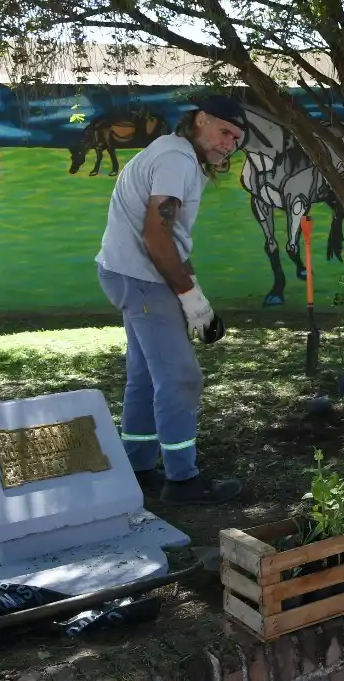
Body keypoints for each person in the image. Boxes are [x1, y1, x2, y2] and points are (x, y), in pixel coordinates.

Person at [96, 94, 249, 505]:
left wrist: (194, 294)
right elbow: (157, 237)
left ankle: (138, 466)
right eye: (224, 132)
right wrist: (192, 301)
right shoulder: (177, 159)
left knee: (146, 375)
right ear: (201, 119)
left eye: (236, 139)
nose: (229, 144)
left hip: (129, 274)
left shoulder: (174, 152)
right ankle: (182, 481)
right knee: (181, 378)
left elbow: (173, 238)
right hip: (144, 278)